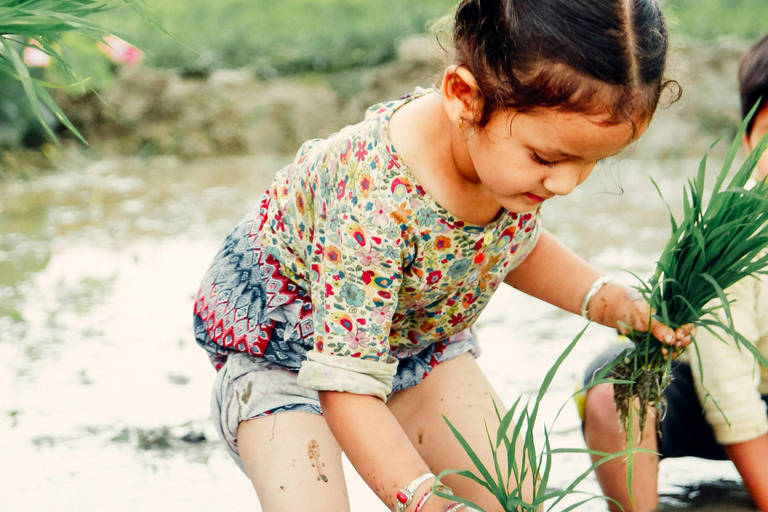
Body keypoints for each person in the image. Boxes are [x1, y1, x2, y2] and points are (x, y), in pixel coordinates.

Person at [192, 1, 690, 511]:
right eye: (547, 158)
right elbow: (346, 383)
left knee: (513, 499)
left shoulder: (502, 162)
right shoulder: (376, 202)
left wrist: (607, 301)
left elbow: (510, 245)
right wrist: (421, 498)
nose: (565, 183)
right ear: (464, 96)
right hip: (284, 357)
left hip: (413, 342)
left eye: (591, 162)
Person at [580, 32, 768, 512]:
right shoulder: (732, 228)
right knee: (614, 382)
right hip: (725, 398)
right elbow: (725, 379)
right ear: (748, 141)